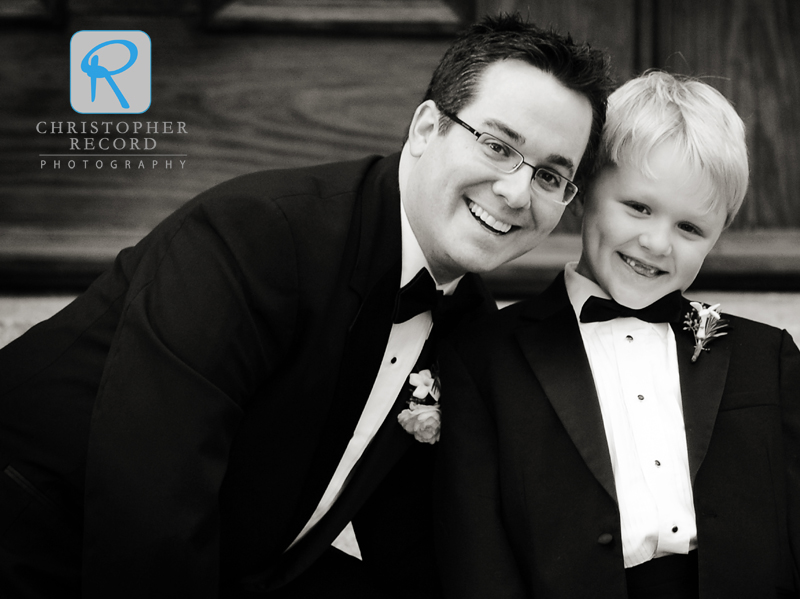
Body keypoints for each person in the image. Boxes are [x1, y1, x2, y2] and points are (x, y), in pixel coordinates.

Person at [0, 14, 613, 598]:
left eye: (551, 177)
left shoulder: (468, 319)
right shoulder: (257, 237)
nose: (515, 192)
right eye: (497, 146)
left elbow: (417, 541)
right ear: (427, 129)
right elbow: (147, 508)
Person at [434, 71, 800, 599]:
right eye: (638, 207)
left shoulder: (764, 359)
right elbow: (479, 564)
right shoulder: (486, 359)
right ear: (581, 194)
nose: (656, 242)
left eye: (690, 228)